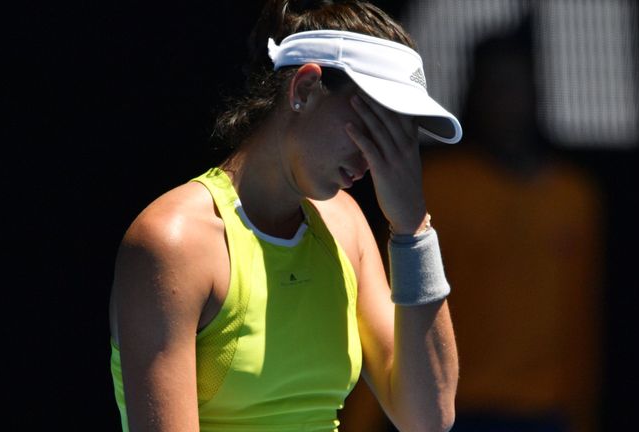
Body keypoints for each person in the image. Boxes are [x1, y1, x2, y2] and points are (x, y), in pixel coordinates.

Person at [108, 1, 461, 431]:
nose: (381, 156)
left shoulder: (345, 225)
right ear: (305, 89)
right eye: (375, 123)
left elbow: (429, 419)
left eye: (399, 134)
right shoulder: (172, 241)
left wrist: (413, 230)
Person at [418, 23, 605, 432]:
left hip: (545, 411)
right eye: (495, 87)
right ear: (476, 93)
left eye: (516, 86)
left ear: (537, 92)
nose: (506, 101)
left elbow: (581, 314)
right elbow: (394, 305)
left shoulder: (572, 197)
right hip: (454, 406)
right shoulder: (438, 186)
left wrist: (582, 414)